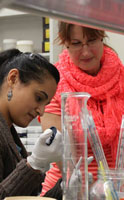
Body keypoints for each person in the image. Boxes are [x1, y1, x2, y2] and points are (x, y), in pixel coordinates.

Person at [40, 22, 124, 197]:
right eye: (76, 43)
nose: (85, 51)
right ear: (65, 42)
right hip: (69, 192)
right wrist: (78, 190)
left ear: (102, 37)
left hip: (118, 192)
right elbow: (57, 151)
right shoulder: (55, 86)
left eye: (91, 41)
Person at [0, 48, 63, 199]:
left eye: (46, 104)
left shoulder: (10, 133)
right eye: (39, 98)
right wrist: (33, 164)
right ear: (13, 78)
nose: (41, 112)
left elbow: (26, 197)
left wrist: (65, 186)